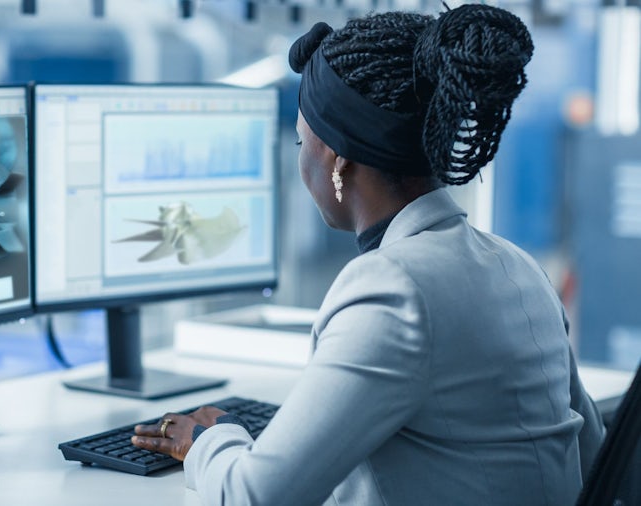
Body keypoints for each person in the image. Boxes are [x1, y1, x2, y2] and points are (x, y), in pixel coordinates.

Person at [130, 4, 605, 505]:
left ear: (338, 162)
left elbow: (256, 496)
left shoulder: (393, 289)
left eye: (300, 140)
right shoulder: (518, 267)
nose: (298, 158)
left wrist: (210, 441)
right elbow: (594, 455)